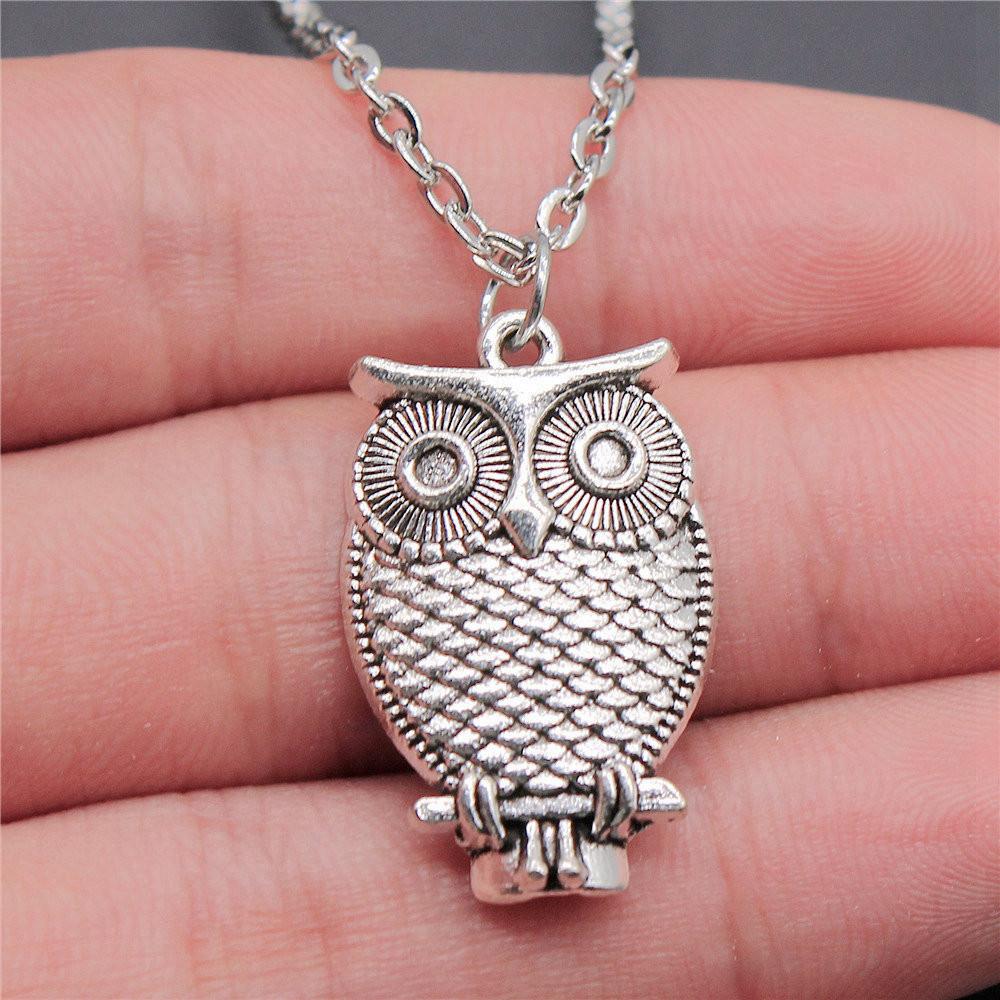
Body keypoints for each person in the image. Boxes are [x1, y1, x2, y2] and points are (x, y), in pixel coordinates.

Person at [2, 46, 998, 999]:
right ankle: (508, 838)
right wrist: (474, 790)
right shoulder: (406, 568)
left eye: (596, 454)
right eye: (447, 462)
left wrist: (615, 781)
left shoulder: (654, 550)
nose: (523, 511)